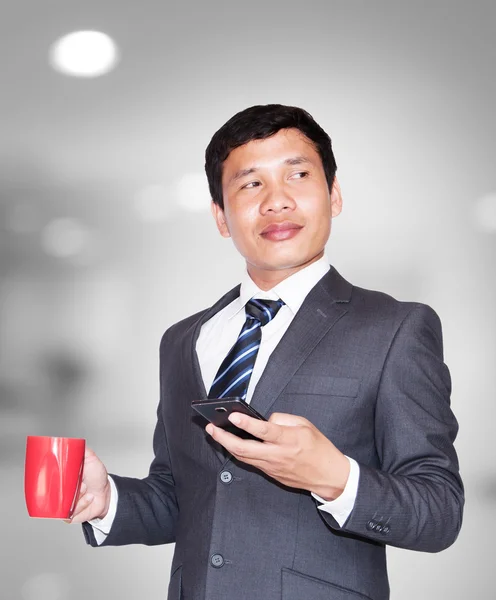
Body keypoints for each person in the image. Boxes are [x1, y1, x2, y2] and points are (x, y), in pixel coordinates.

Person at [68, 104, 464, 600]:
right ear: (220, 216)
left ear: (334, 195)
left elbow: (439, 511)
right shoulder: (183, 340)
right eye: (250, 184)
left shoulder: (395, 328)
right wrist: (110, 500)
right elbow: (185, 494)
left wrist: (334, 476)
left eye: (298, 175)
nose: (277, 202)